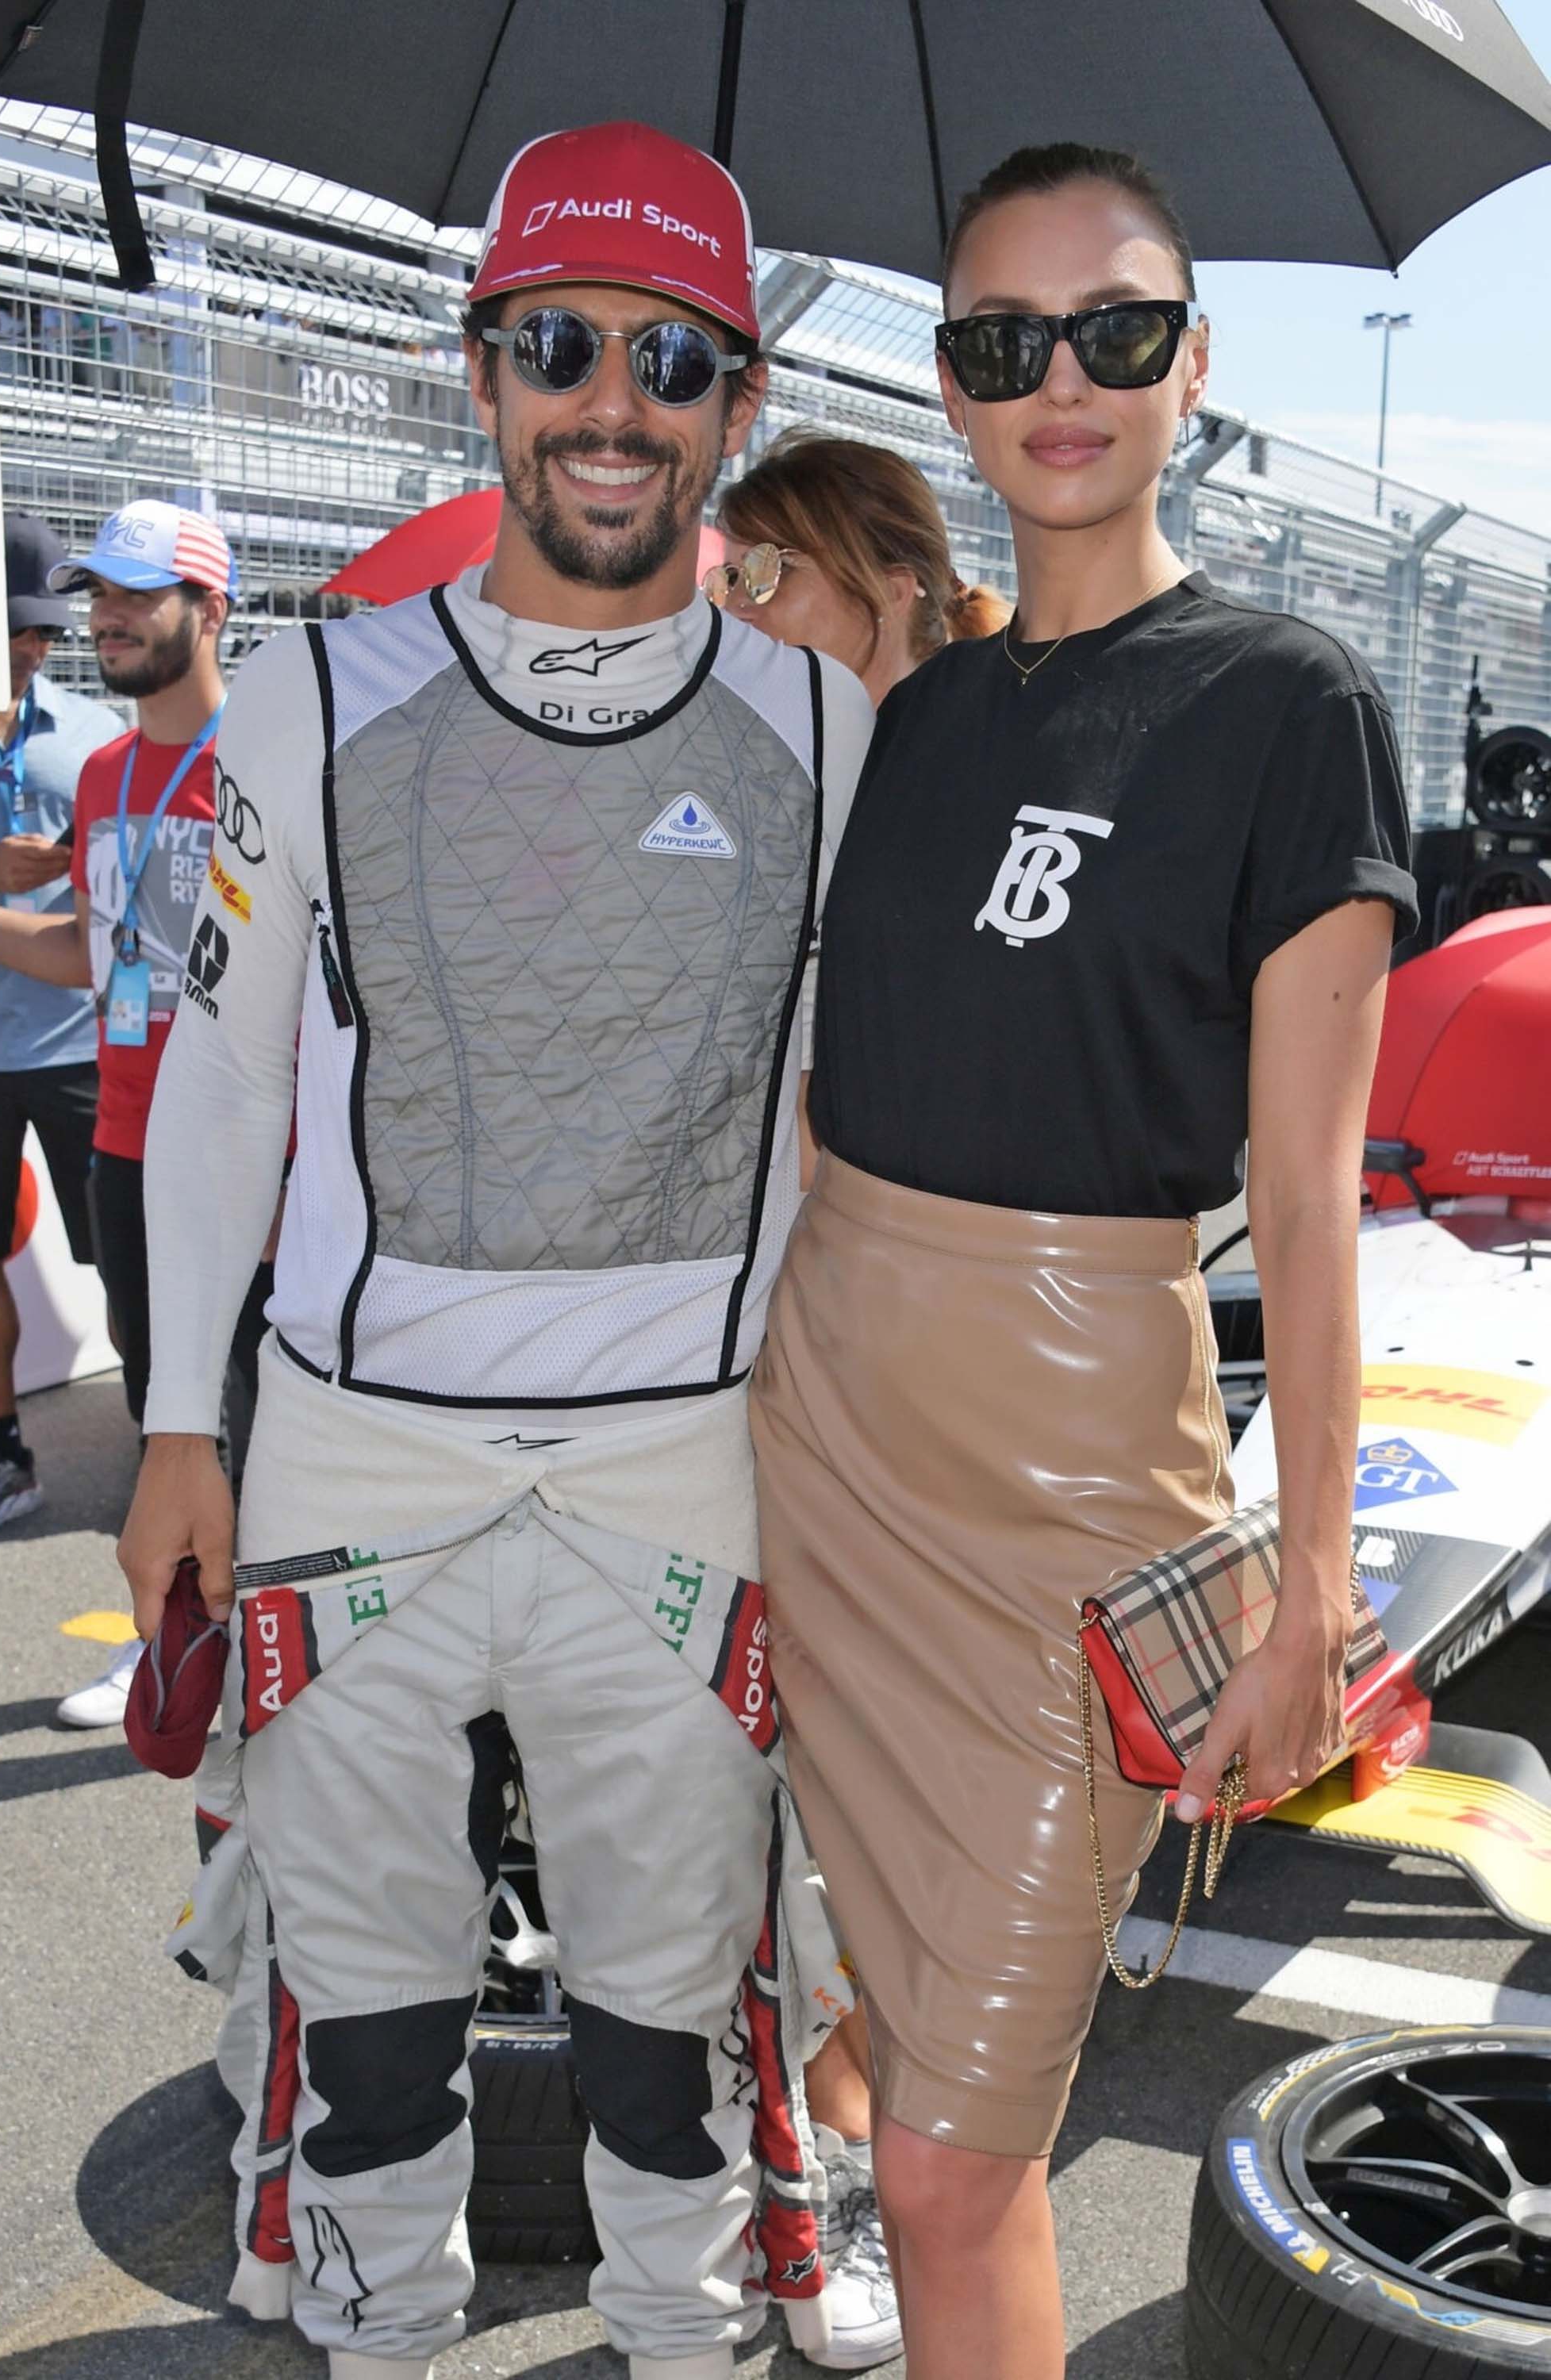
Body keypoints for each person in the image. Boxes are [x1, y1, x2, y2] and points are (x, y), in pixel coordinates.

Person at [117, 121, 877, 2380]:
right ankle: (376, 2346)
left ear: (738, 406)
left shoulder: (833, 736)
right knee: (363, 2035)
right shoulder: (307, 696)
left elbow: (869, 1145)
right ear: (483, 374)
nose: (610, 401)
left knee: (669, 2048)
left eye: (671, 357)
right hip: (358, 1470)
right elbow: (229, 1085)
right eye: (560, 345)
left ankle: (690, 2343)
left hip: (685, 1477)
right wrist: (175, 1425)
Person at [748, 142, 1419, 2380]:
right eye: (1002, 341)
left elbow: (1306, 1197)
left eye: (1116, 332)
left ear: (1192, 365)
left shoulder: (1286, 700)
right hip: (824, 1420)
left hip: (1074, 1471)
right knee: (913, 2063)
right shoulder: (920, 712)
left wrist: (1311, 1573)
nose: (1063, 381)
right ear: (948, 385)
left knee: (955, 2154)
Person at [712, 428, 1008, 2370]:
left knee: (963, 1856)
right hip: (766, 1378)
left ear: (882, 573)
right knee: (783, 1824)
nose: (732, 626)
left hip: (965, 1396)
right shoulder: (769, 773)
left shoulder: (1002, 775)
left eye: (766, 589)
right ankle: (802, 2193)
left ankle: (835, 2130)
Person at [0, 499, 271, 1725]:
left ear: (211, 609)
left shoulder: (269, 760)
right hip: (129, 1139)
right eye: (99, 594)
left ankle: (283, 1645)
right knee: (163, 1412)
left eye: (138, 595)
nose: (107, 617)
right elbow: (93, 952)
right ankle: (180, 1641)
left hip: (255, 1150)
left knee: (264, 1416)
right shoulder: (104, 771)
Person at [0, 512, 121, 1541]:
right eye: (16, 626)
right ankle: (2, 1453)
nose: (35, 644)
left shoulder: (99, 736)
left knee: (127, 1262)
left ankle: (169, 1442)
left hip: (84, 1048)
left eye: (46, 628)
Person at [714, 428, 1008, 701]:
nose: (733, 606)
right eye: (730, 578)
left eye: (772, 567)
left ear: (892, 592)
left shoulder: (969, 750)